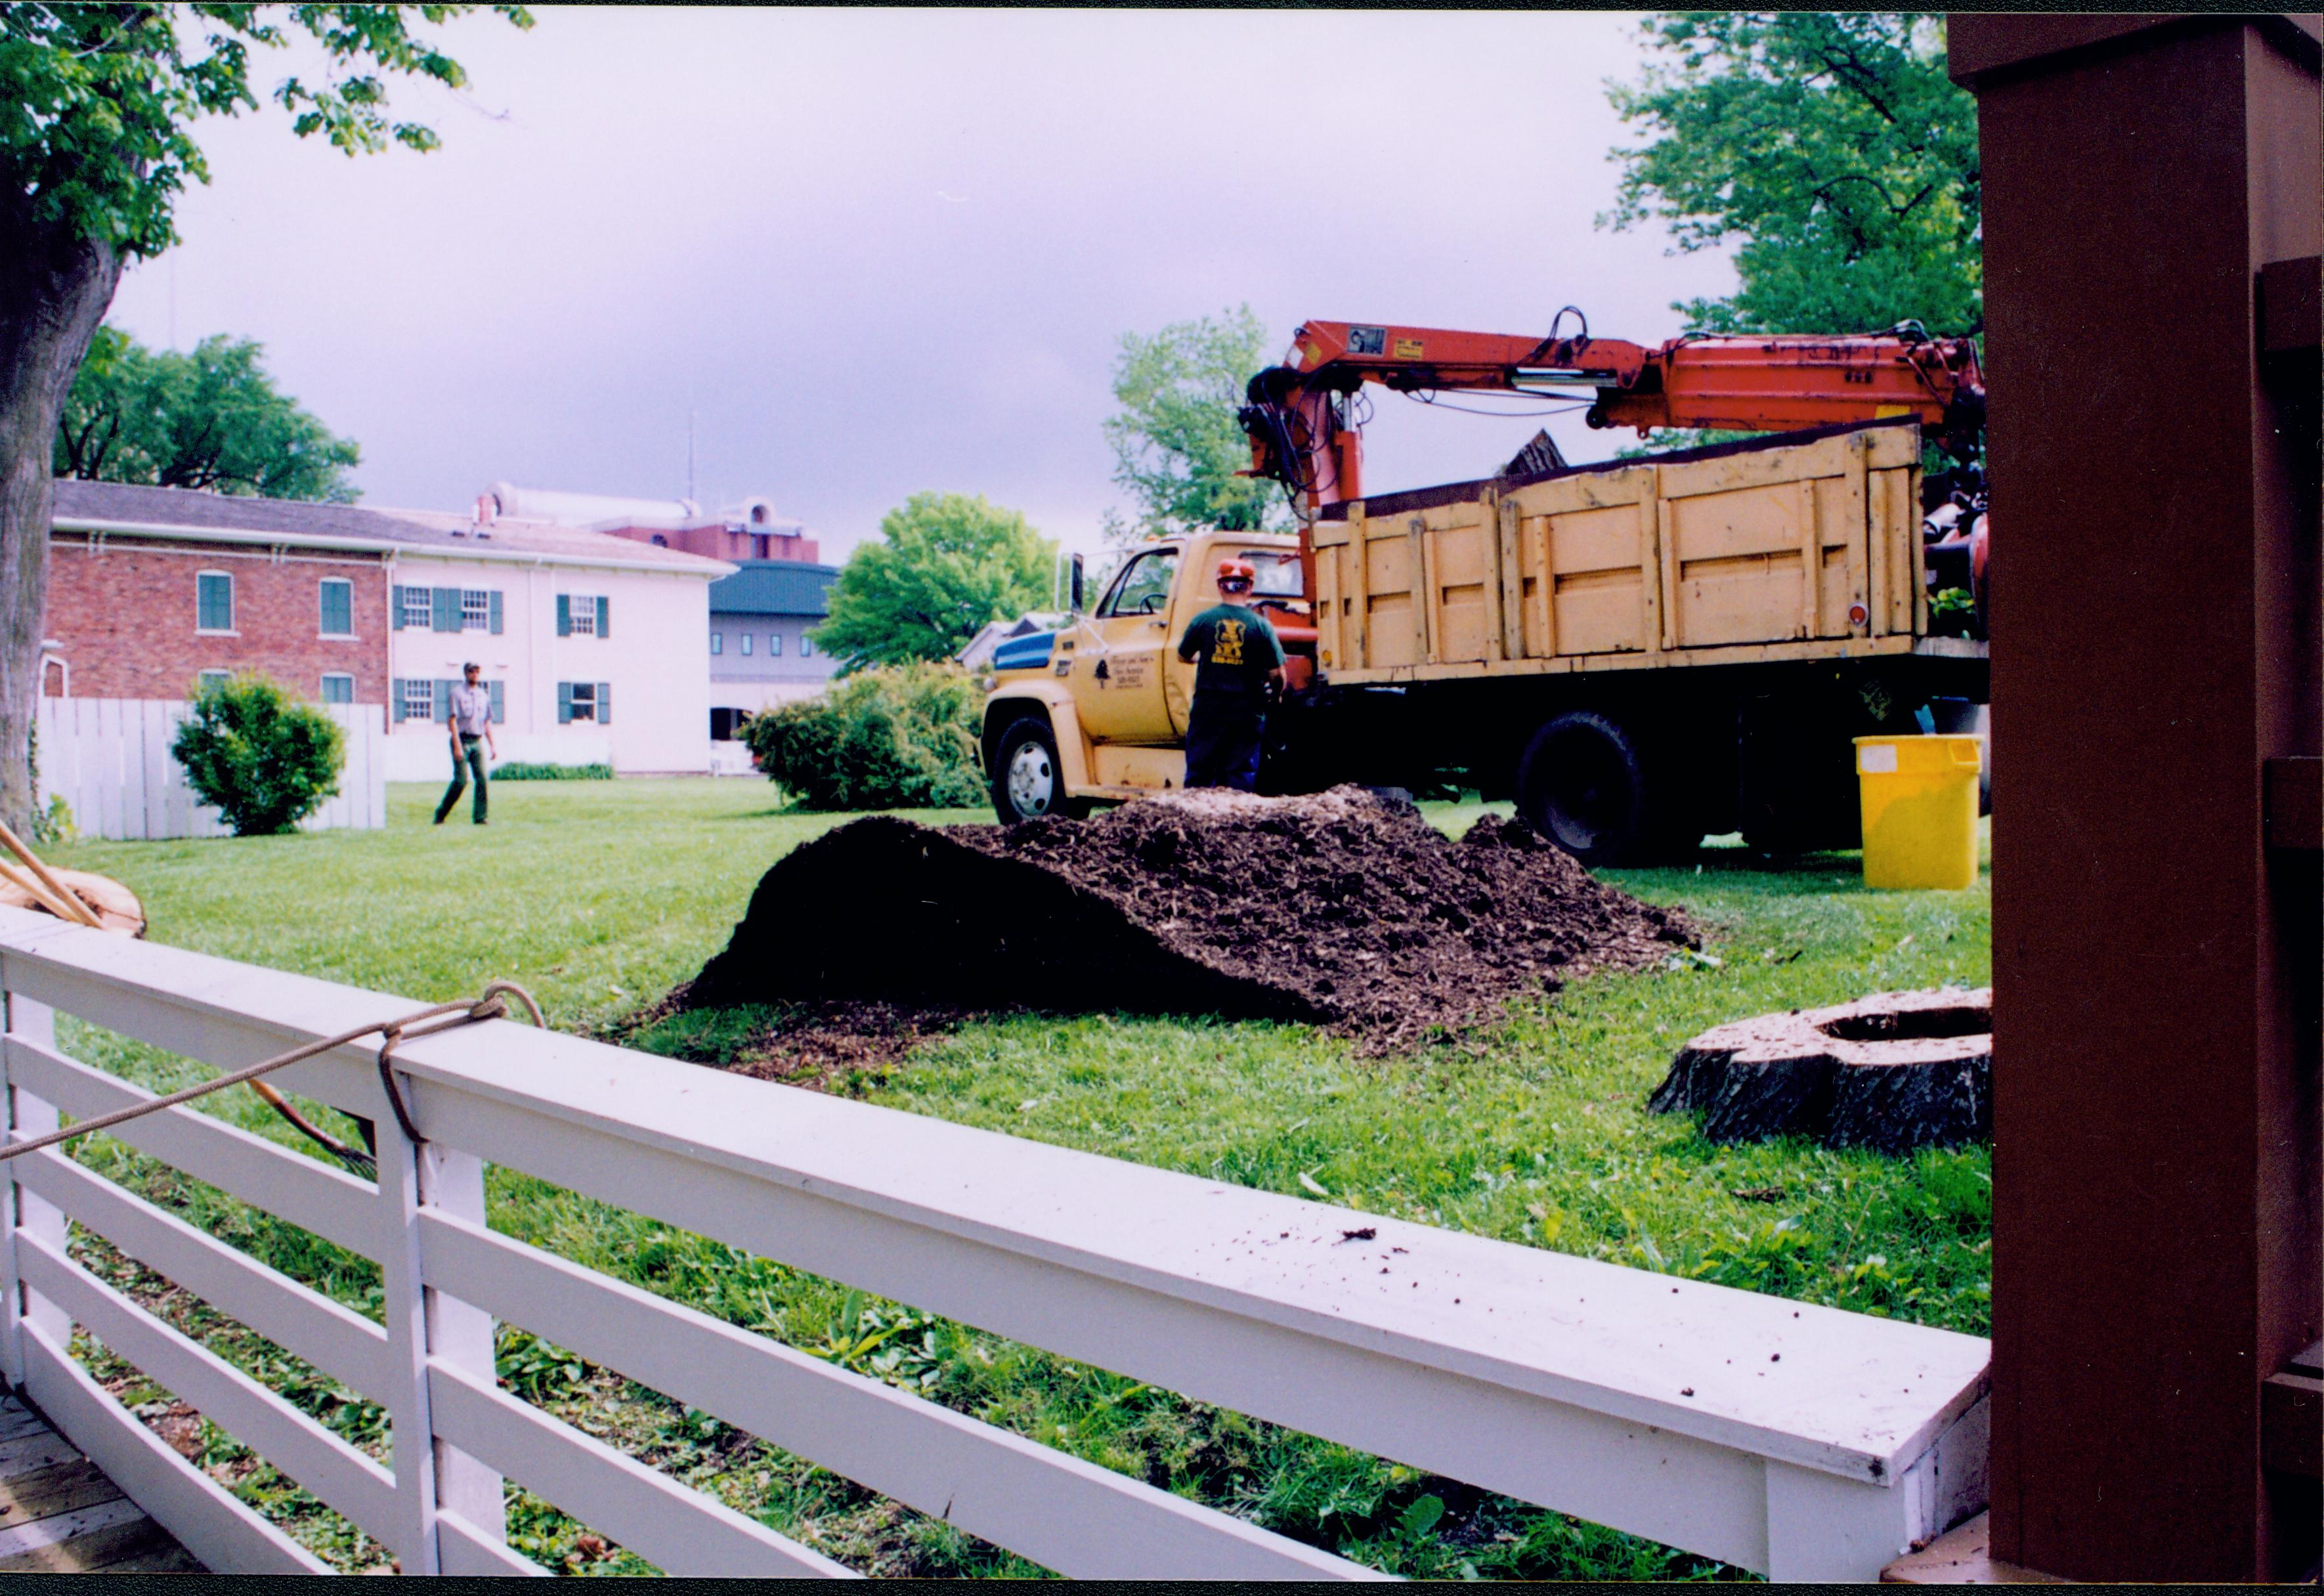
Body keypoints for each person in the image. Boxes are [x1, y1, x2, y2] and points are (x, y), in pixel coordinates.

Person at [1176, 558, 1286, 791]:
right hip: (1246, 709)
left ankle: (1195, 822)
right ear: (1250, 588)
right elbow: (1278, 674)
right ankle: (1235, 824)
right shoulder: (1261, 626)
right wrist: (1275, 697)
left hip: (1208, 707)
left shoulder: (1202, 620)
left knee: (1200, 772)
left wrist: (1202, 658)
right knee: (1240, 774)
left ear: (1220, 586)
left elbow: (1183, 655)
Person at [434, 662, 498, 825]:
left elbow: (487, 722)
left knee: (482, 779)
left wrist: (492, 745)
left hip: (477, 741)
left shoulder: (483, 696)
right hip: (461, 740)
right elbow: (452, 721)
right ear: (465, 673)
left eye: (477, 671)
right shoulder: (457, 693)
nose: (475, 674)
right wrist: (457, 746)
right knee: (461, 781)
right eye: (471, 671)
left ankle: (480, 817)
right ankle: (441, 813)